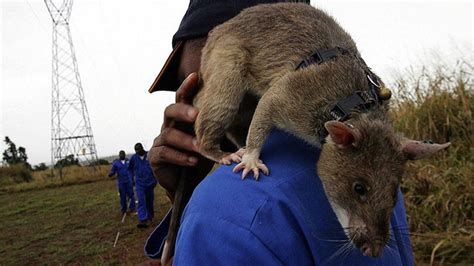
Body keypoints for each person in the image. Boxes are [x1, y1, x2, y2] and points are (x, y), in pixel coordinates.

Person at [145, 0, 414, 264]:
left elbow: (223, 228)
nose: (188, 100)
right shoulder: (380, 167)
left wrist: (203, 202)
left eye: (197, 81)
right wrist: (189, 194)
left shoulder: (223, 213)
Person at [129, 143, 157, 228]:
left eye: (139, 149)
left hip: (150, 182)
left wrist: (155, 180)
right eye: (136, 150)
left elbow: (155, 167)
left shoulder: (149, 155)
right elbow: (130, 169)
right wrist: (132, 179)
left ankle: (150, 216)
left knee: (149, 201)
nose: (137, 151)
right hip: (139, 183)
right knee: (141, 200)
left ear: (142, 148)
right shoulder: (133, 158)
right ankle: (143, 220)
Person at [108, 150, 136, 214]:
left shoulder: (128, 161)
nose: (122, 155)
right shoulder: (116, 163)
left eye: (123, 154)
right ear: (119, 155)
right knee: (122, 196)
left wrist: (133, 180)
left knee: (131, 195)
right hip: (121, 182)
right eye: (121, 154)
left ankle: (132, 208)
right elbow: (113, 170)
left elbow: (132, 170)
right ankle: (124, 210)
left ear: (125, 154)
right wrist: (111, 174)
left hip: (129, 181)